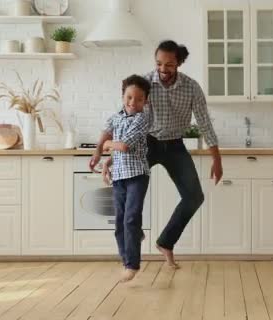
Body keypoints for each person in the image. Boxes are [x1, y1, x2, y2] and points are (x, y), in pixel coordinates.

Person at [92, 40, 223, 268]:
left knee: (194, 197)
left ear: (178, 63)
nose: (163, 69)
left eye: (169, 64)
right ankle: (134, 235)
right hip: (146, 143)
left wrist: (216, 158)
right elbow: (126, 118)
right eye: (159, 63)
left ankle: (166, 242)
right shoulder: (145, 83)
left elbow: (204, 123)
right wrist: (111, 157)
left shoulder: (191, 88)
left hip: (174, 146)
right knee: (127, 191)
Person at [100, 74, 151, 282]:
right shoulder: (116, 118)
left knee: (130, 218)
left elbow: (123, 146)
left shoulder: (142, 119)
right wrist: (107, 161)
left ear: (145, 101)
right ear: (123, 97)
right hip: (119, 177)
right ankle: (127, 256)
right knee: (120, 222)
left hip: (137, 176)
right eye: (129, 97)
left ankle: (132, 265)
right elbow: (116, 148)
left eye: (139, 99)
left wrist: (107, 144)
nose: (133, 102)